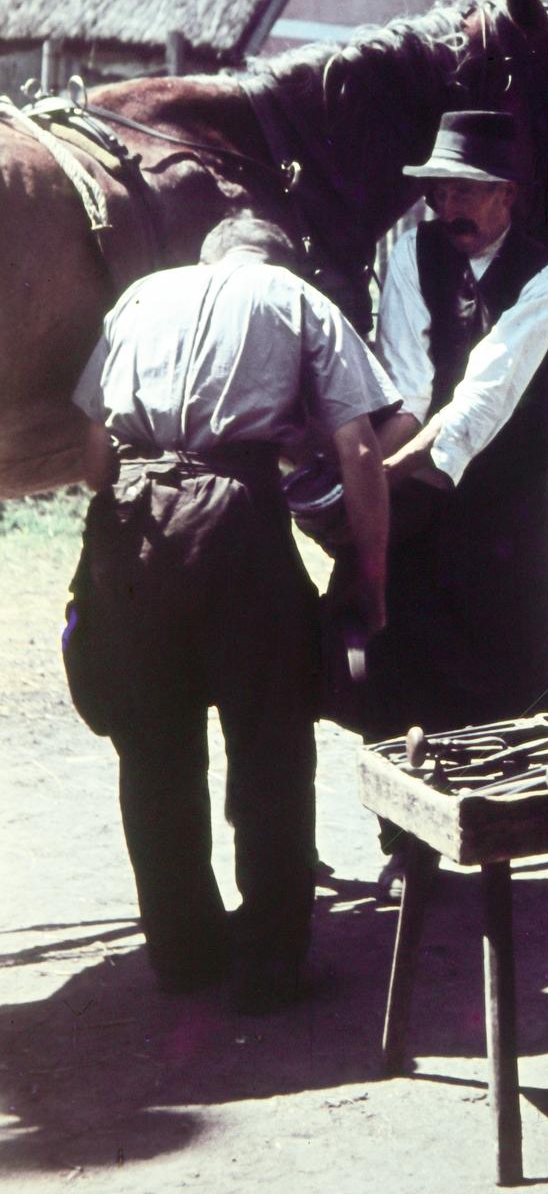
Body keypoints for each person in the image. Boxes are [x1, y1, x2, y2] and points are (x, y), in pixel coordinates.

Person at [63, 213, 398, 1012]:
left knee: (152, 749)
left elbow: (90, 455)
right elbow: (359, 449)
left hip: (131, 521)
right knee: (271, 743)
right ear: (280, 258)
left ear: (208, 255)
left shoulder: (141, 296)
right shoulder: (293, 297)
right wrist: (371, 578)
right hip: (236, 514)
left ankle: (183, 957)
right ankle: (272, 968)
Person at [352, 109, 548, 786]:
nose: (450, 206)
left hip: (506, 499)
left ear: (507, 193)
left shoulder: (546, 280)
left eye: (467, 191)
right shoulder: (413, 253)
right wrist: (381, 484)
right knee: (406, 654)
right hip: (422, 496)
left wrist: (384, 475)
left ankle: (517, 816)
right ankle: (410, 834)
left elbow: (483, 397)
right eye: (440, 192)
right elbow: (409, 378)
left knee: (517, 653)